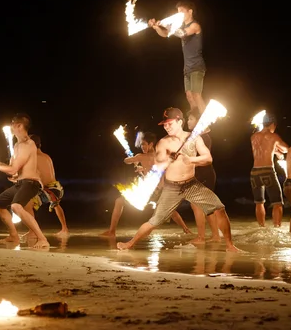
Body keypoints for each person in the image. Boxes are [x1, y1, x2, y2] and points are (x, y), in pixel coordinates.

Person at [117, 107, 239, 252]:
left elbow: (208, 158)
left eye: (170, 123)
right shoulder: (163, 142)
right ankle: (130, 243)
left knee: (219, 208)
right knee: (155, 221)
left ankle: (230, 245)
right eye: (165, 124)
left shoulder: (194, 138)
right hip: (172, 188)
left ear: (180, 121)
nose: (166, 127)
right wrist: (168, 160)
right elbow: (158, 165)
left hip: (191, 184)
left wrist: (191, 159)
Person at [100, 132, 192, 237]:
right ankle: (112, 231)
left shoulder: (144, 156)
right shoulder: (156, 155)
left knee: (170, 211)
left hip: (158, 190)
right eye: (141, 144)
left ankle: (186, 229)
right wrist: (142, 167)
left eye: (144, 144)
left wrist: (135, 160)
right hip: (152, 190)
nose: (142, 146)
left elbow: (126, 161)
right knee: (119, 201)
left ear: (151, 144)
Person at [0, 113, 50, 249]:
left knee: (16, 206)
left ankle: (42, 239)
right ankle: (13, 235)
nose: (10, 126)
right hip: (21, 183)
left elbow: (12, 170)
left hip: (31, 183)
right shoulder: (17, 146)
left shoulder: (28, 145)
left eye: (12, 123)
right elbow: (14, 171)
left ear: (19, 125)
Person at [149, 0, 206, 115]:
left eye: (182, 11)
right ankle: (195, 118)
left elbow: (181, 33)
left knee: (196, 94)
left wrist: (165, 24)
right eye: (178, 12)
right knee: (189, 96)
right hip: (187, 67)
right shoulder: (181, 26)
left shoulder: (195, 25)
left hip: (197, 66)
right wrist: (156, 27)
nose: (179, 14)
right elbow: (165, 35)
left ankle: (205, 122)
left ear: (190, 12)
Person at [186, 109, 221, 243]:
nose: (188, 121)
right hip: (201, 173)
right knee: (204, 205)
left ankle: (202, 237)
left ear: (198, 121)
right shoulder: (197, 136)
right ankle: (215, 236)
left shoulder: (203, 137)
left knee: (197, 205)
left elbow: (202, 158)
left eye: (190, 119)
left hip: (204, 173)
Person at [26, 134, 70, 238]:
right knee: (56, 205)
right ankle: (65, 228)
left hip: (50, 189)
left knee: (28, 204)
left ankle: (32, 231)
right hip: (57, 188)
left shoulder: (35, 158)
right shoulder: (46, 156)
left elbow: (37, 175)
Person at [250, 113, 289, 227]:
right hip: (267, 171)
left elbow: (262, 149)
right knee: (277, 203)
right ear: (272, 124)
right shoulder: (273, 136)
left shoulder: (253, 137)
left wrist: (275, 151)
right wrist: (278, 150)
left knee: (259, 202)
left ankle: (261, 227)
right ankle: (277, 227)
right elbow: (286, 149)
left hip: (254, 172)